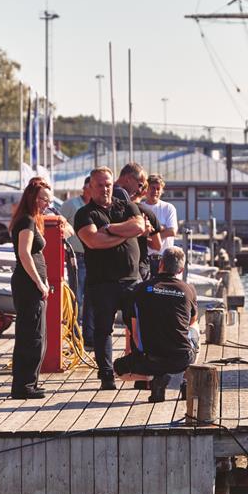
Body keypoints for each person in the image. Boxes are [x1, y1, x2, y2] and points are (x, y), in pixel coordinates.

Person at [74, 166, 145, 391]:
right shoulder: (84, 214)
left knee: (137, 327)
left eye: (108, 184)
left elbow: (140, 226)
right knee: (103, 329)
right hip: (102, 283)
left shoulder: (127, 205)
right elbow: (94, 241)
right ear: (90, 187)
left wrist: (111, 229)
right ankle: (106, 375)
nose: (105, 189)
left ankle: (137, 370)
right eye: (100, 185)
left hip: (131, 280)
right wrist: (124, 235)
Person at [114, 246, 198, 402]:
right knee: (195, 327)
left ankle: (155, 378)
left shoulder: (139, 289)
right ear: (180, 271)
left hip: (150, 359)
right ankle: (186, 380)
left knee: (118, 370)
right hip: (182, 358)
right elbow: (191, 321)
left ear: (161, 265)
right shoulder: (188, 290)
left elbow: (133, 328)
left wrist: (134, 354)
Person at [8, 177, 53, 399]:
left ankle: (30, 381)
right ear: (33, 198)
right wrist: (39, 282)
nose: (46, 203)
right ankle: (23, 386)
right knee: (31, 335)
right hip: (28, 285)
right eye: (44, 199)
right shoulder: (26, 222)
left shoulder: (32, 220)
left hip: (32, 285)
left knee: (38, 334)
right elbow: (25, 254)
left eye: (48, 200)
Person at [60, 175, 94, 347]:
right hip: (77, 256)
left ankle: (89, 335)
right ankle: (74, 333)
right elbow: (59, 223)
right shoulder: (71, 205)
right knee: (77, 297)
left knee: (91, 298)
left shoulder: (96, 206)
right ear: (85, 188)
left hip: (93, 256)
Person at [143, 174, 178, 276]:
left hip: (165, 259)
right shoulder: (140, 207)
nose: (155, 191)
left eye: (158, 189)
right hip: (146, 260)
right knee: (147, 290)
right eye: (152, 188)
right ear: (146, 189)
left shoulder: (168, 208)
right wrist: (162, 229)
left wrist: (151, 235)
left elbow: (172, 231)